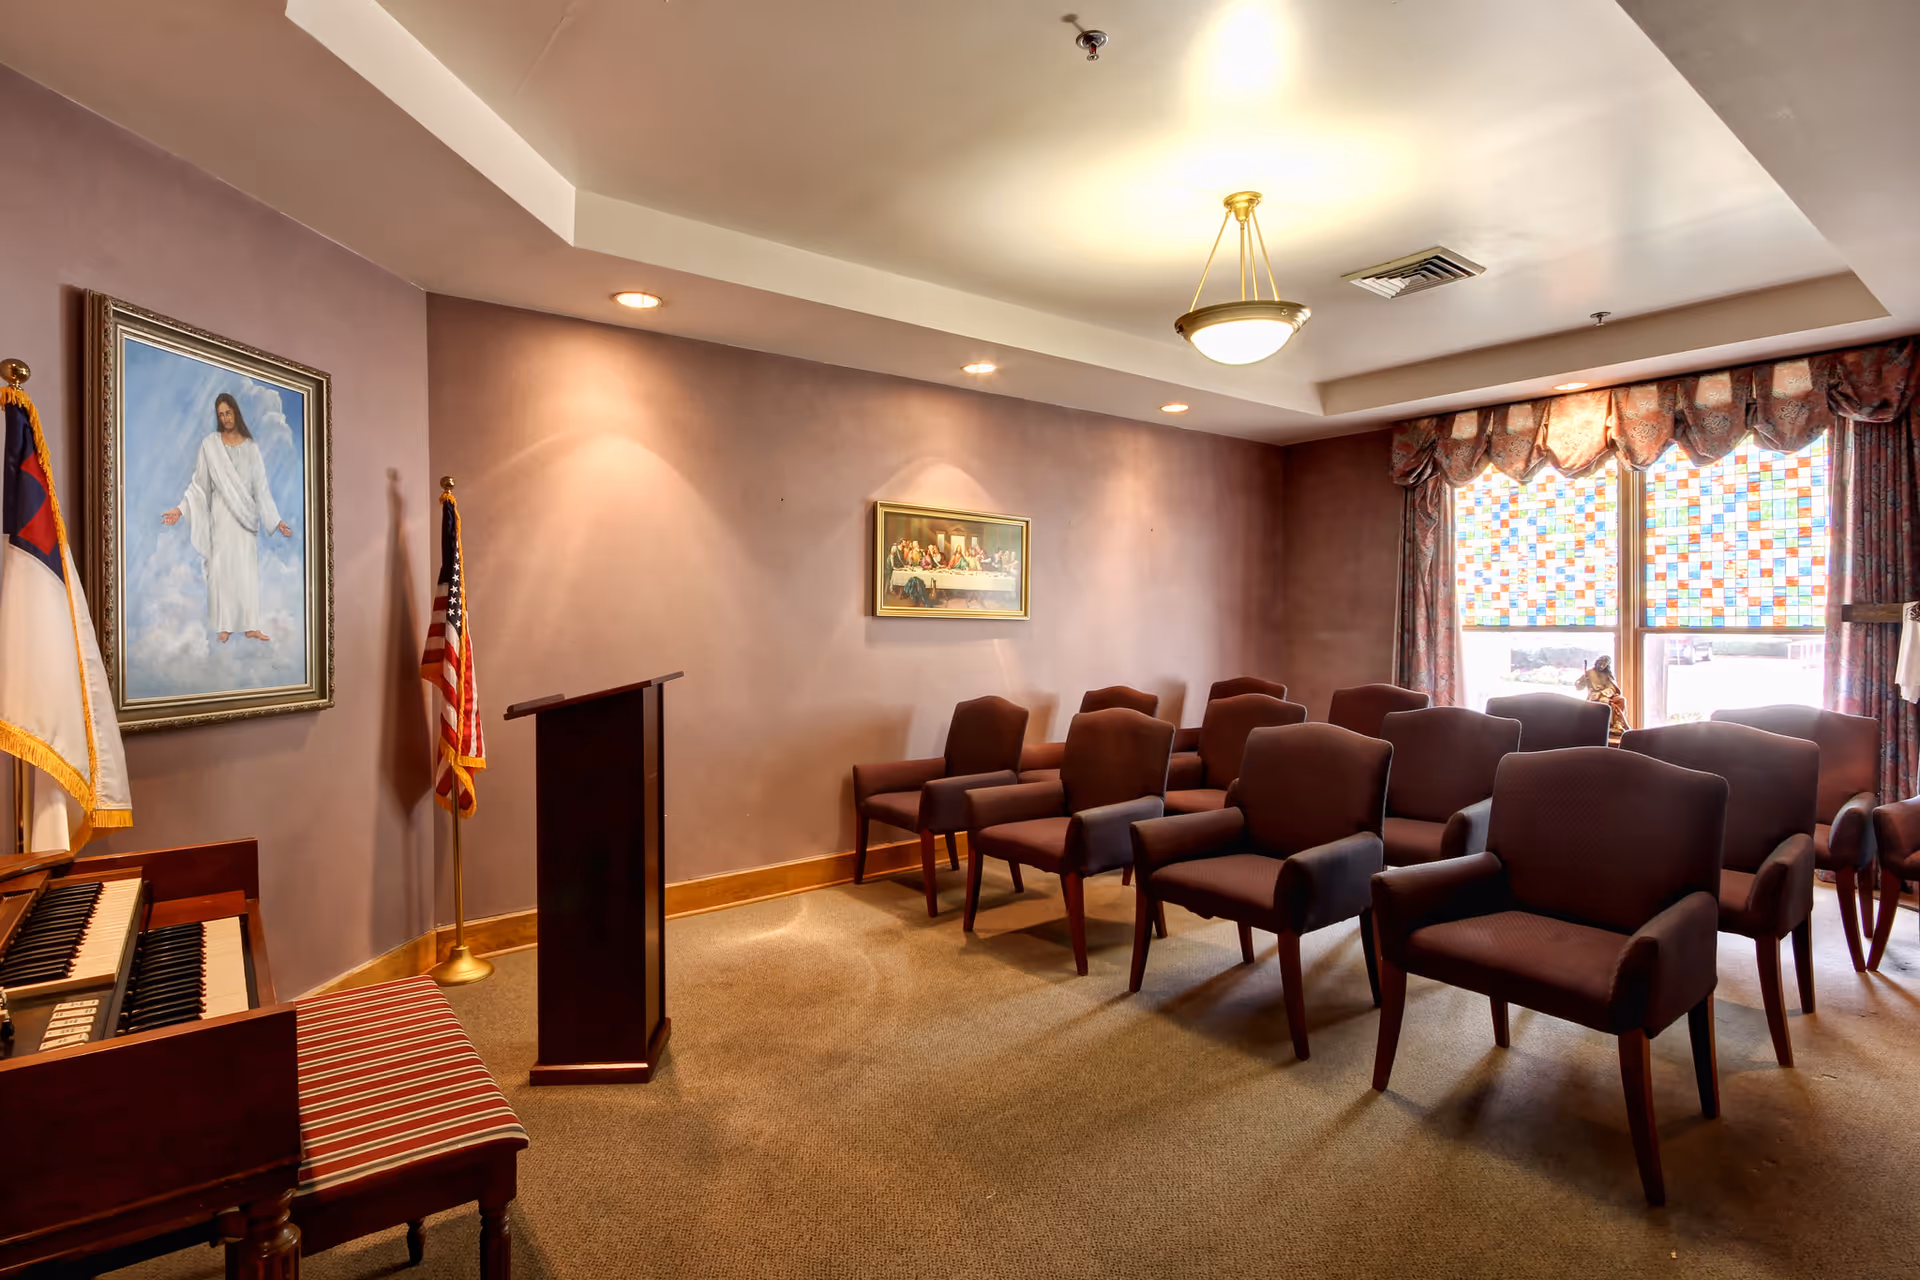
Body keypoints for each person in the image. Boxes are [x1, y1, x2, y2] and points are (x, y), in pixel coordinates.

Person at [159, 392, 293, 643]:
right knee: (223, 570)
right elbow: (199, 484)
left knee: (245, 571)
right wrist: (180, 509)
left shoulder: (251, 447)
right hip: (221, 516)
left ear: (235, 412)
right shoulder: (210, 445)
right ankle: (226, 625)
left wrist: (276, 520)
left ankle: (251, 626)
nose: (225, 417)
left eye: (228, 412)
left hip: (245, 518)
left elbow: (261, 487)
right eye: (221, 414)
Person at [1574, 655, 1630, 739]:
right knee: (1604, 702)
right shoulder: (1589, 672)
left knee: (1621, 700)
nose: (1601, 666)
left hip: (1607, 694)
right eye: (1600, 663)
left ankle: (1617, 724)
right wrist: (1583, 682)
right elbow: (1578, 687)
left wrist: (1603, 693)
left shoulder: (1608, 674)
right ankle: (1605, 725)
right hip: (1594, 696)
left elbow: (1613, 687)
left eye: (1603, 664)